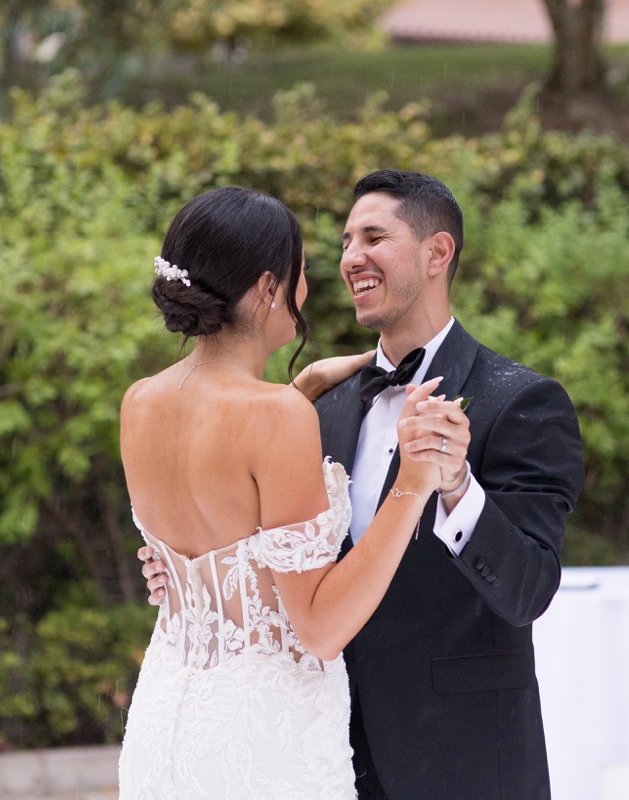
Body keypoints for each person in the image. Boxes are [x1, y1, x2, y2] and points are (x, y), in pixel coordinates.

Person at [140, 169, 586, 800]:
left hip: (457, 760)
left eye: (374, 237)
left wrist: (457, 485)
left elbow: (529, 592)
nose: (351, 258)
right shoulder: (316, 408)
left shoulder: (521, 402)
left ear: (437, 253)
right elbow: (261, 557)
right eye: (346, 241)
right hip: (316, 745)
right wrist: (186, 572)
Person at [118, 185, 459, 799]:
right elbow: (320, 629)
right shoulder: (274, 416)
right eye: (301, 274)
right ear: (270, 287)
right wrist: (413, 480)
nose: (308, 290)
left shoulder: (141, 401)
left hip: (166, 718)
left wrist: (297, 389)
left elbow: (219, 516)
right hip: (262, 737)